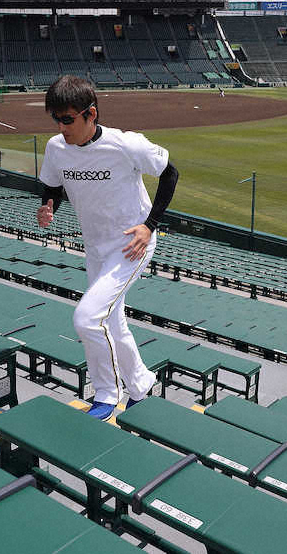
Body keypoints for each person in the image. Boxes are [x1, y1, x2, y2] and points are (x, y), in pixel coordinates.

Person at [37, 75, 179, 421]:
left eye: (68, 119)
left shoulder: (125, 145)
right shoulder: (57, 148)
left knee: (87, 319)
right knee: (112, 320)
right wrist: (49, 204)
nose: (61, 126)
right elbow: (52, 184)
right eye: (56, 119)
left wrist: (149, 226)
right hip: (96, 248)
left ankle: (106, 394)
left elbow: (170, 173)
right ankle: (141, 386)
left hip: (132, 245)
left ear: (92, 114)